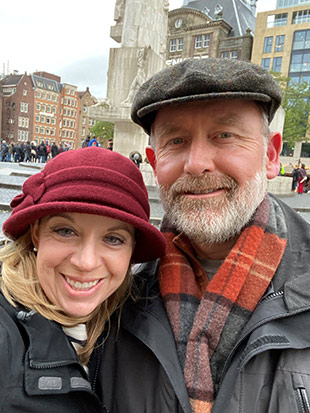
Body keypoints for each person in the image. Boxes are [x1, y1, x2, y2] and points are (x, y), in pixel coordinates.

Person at [97, 58, 310, 413]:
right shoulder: (109, 286)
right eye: (176, 141)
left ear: (271, 155)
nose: (196, 163)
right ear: (153, 161)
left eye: (224, 136)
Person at [0, 146, 165, 412]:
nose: (86, 262)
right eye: (65, 231)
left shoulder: (130, 319)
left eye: (113, 239)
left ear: (132, 250)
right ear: (35, 234)